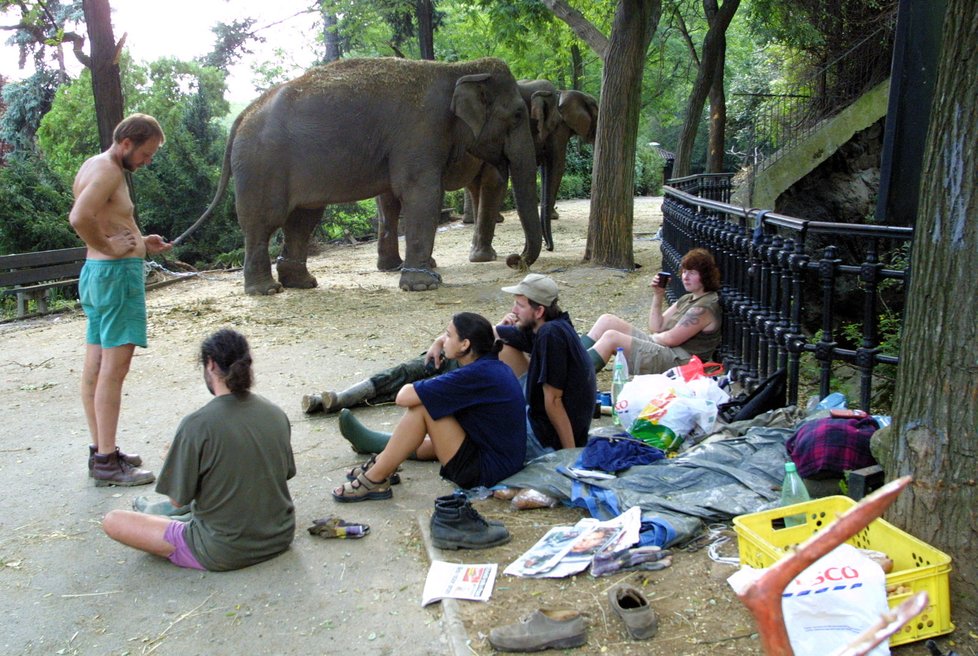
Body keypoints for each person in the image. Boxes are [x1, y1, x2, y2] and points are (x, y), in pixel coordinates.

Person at [102, 329, 296, 571]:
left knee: (114, 521)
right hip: (280, 536)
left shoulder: (196, 425)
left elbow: (176, 499)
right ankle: (161, 515)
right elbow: (283, 473)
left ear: (211, 364)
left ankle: (159, 517)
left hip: (222, 550)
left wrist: (173, 459)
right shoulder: (275, 412)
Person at [69, 113, 173, 486]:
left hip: (98, 277)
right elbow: (80, 217)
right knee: (114, 371)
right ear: (127, 143)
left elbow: (106, 218)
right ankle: (108, 463)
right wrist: (111, 247)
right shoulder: (111, 170)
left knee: (95, 368)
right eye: (146, 153)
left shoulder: (95, 165)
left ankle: (102, 450)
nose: (148, 161)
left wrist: (142, 244)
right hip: (115, 279)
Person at [333, 312, 527, 501]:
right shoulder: (490, 366)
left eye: (449, 335)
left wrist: (430, 381)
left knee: (422, 408)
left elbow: (403, 397)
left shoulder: (475, 375)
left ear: (465, 345)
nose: (444, 340)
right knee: (429, 403)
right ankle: (384, 465)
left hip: (486, 472)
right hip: (499, 461)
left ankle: (374, 478)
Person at [493, 273, 597, 459]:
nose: (513, 310)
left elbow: (554, 401)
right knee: (503, 346)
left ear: (539, 311)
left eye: (520, 305)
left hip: (544, 439)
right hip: (541, 421)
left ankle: (425, 447)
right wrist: (439, 341)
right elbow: (489, 333)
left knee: (475, 432)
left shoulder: (551, 335)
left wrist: (570, 456)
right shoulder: (551, 324)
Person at [582, 248, 722, 375]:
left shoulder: (704, 307)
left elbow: (671, 339)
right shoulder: (687, 298)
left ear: (705, 276)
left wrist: (650, 340)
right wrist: (658, 294)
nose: (685, 277)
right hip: (665, 349)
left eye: (692, 273)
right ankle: (569, 360)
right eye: (684, 271)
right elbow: (657, 327)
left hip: (681, 361)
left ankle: (574, 375)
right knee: (607, 320)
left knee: (611, 338)